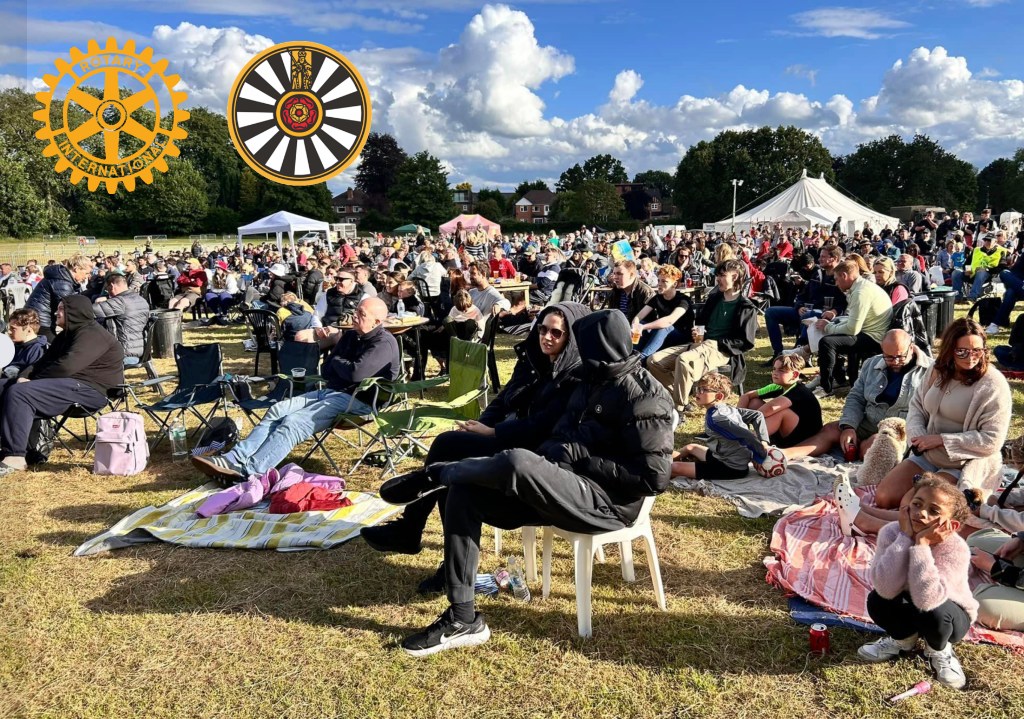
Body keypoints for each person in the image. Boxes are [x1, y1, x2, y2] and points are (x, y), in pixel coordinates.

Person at [378, 309, 673, 656]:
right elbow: (559, 435)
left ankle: (434, 474)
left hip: (609, 503)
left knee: (518, 459)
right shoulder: (591, 382)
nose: (568, 348)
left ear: (600, 347)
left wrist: (578, 457)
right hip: (564, 485)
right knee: (465, 492)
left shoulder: (645, 397)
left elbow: (652, 478)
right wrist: (556, 457)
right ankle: (464, 618)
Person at [360, 302, 589, 568]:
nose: (546, 337)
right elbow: (503, 399)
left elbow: (544, 425)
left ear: (570, 337)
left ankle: (412, 527)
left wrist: (493, 431)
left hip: (534, 455)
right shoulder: (532, 359)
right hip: (507, 438)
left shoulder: (575, 376)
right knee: (452, 470)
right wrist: (480, 425)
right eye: (542, 329)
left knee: (448, 447)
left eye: (556, 333)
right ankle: (439, 555)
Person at [192, 297, 400, 481]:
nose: (354, 317)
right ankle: (233, 459)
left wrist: (339, 362)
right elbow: (327, 370)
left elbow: (356, 374)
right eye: (356, 312)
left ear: (377, 322)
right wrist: (342, 363)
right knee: (277, 410)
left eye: (361, 314)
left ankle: (250, 471)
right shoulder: (350, 336)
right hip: (332, 391)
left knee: (294, 422)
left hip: (360, 401)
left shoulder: (383, 343)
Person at [857, 476, 974, 690]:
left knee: (936, 614)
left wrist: (922, 545)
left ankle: (938, 650)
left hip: (948, 615)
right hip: (911, 604)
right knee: (877, 600)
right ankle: (903, 639)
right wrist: (904, 538)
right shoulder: (891, 533)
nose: (921, 513)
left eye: (934, 511)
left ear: (952, 525)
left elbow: (928, 600)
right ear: (906, 507)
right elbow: (885, 587)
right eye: (917, 504)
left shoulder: (955, 548)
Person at [0, 296, 124, 476]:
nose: (55, 313)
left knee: (20, 393)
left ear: (74, 312)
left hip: (92, 390)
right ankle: (13, 448)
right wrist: (24, 375)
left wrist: (32, 381)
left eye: (60, 309)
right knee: (4, 386)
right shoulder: (66, 335)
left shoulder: (93, 334)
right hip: (68, 385)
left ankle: (16, 457)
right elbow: (43, 361)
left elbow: (66, 366)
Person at [782, 330, 931, 460]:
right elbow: (856, 397)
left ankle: (858, 449)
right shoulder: (872, 363)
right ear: (882, 349)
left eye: (900, 356)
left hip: (899, 430)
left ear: (911, 348)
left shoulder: (931, 371)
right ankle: (783, 455)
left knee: (877, 444)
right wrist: (849, 426)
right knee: (831, 429)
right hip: (868, 422)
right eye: (889, 357)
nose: (895, 361)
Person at [648, 259, 757, 412]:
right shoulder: (714, 298)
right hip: (698, 344)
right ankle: (681, 400)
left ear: (735, 277)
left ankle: (678, 409)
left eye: (722, 275)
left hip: (720, 349)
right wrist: (697, 330)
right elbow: (701, 322)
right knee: (654, 361)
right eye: (717, 275)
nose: (718, 279)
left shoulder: (745, 307)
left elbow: (746, 341)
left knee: (684, 360)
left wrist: (716, 343)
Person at [813, 259, 893, 398]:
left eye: (837, 279)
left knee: (827, 342)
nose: (836, 283)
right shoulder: (861, 287)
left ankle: (826, 388)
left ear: (844, 275)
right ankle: (839, 379)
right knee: (833, 336)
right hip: (871, 332)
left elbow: (852, 329)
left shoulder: (860, 292)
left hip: (874, 337)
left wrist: (828, 327)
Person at [671, 372, 772, 480]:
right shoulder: (726, 409)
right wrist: (764, 441)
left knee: (674, 468)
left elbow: (747, 436)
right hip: (719, 456)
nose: (697, 394)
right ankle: (661, 458)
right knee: (691, 447)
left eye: (703, 390)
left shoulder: (717, 419)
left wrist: (761, 454)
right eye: (698, 389)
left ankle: (660, 465)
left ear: (719, 396)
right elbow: (757, 415)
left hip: (730, 468)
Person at [736, 354, 821, 450]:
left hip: (803, 439)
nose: (775, 373)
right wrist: (737, 421)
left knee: (781, 412)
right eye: (774, 369)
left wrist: (742, 425)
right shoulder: (779, 386)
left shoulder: (798, 391)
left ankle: (750, 441)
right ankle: (747, 437)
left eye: (781, 370)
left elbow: (768, 409)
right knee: (754, 402)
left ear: (795, 375)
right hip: (787, 431)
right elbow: (746, 396)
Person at [24, 252, 91, 340]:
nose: (87, 277)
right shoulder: (63, 282)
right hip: (39, 321)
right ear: (76, 269)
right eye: (86, 273)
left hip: (38, 318)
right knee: (54, 348)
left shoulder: (62, 277)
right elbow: (70, 309)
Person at [632, 264, 691, 359]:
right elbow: (639, 316)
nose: (659, 284)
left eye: (664, 281)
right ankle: (632, 355)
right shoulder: (657, 298)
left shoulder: (683, 300)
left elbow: (669, 321)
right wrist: (635, 326)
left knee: (664, 327)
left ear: (674, 284)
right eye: (659, 280)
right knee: (642, 324)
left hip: (681, 336)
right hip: (661, 335)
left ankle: (641, 359)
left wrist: (643, 327)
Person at [93, 273, 149, 359]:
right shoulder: (141, 299)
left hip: (123, 353)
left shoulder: (120, 301)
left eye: (107, 289)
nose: (107, 291)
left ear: (112, 286)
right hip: (140, 349)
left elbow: (91, 311)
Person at [3, 308, 48, 373]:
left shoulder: (37, 349)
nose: (9, 332)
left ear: (28, 330)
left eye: (13, 328)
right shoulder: (16, 345)